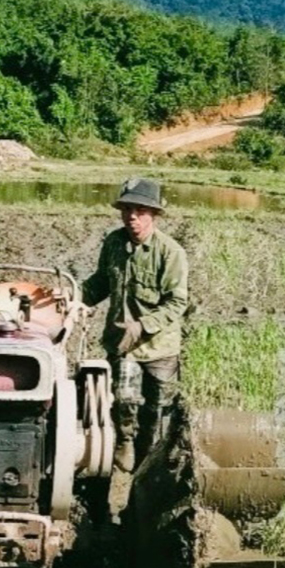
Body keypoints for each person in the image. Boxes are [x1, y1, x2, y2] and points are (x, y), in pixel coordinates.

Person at [81, 177, 189, 472]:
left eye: (140, 211)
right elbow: (101, 281)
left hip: (158, 346)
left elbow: (177, 302)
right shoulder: (114, 243)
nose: (132, 217)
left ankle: (149, 462)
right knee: (123, 400)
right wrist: (75, 298)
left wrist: (142, 326)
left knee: (157, 412)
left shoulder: (170, 252)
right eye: (127, 209)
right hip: (122, 343)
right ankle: (123, 442)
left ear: (153, 215)